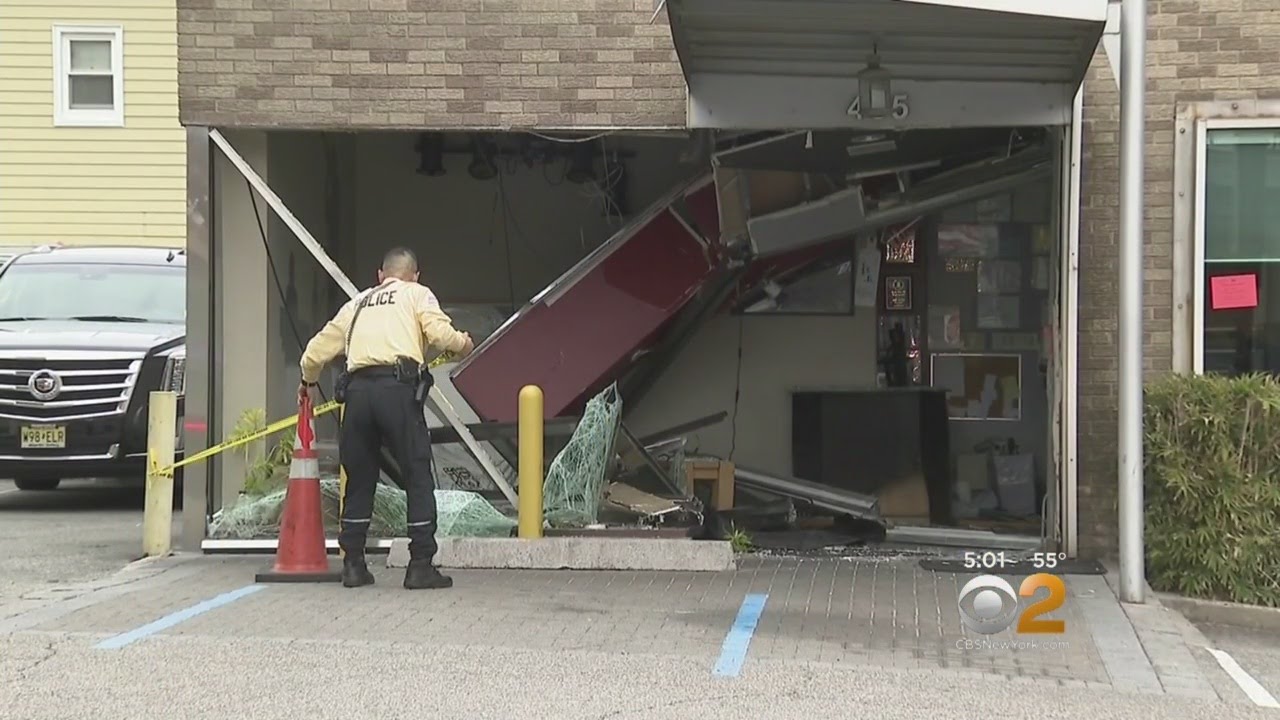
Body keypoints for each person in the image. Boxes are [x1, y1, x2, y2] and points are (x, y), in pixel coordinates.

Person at [298, 247, 474, 590]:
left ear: (380, 275)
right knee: (416, 473)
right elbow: (441, 335)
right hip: (397, 391)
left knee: (360, 477)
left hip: (358, 395)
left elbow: (315, 351)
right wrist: (464, 345)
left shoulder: (358, 303)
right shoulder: (416, 294)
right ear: (415, 275)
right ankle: (420, 564)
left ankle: (353, 564)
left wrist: (306, 382)